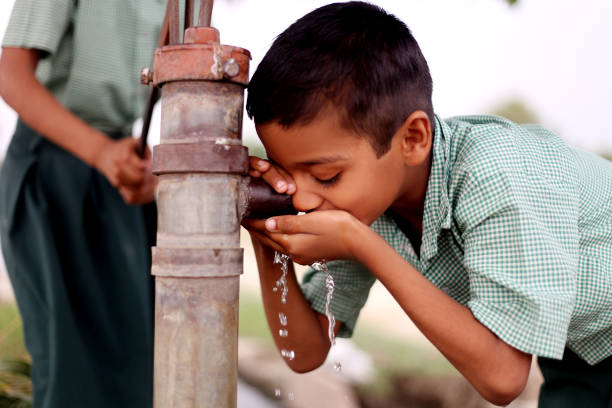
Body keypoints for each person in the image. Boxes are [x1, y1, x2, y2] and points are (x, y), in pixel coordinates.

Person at [242, 2, 612, 407]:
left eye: (326, 176)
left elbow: (504, 377)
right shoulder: (365, 206)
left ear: (413, 139)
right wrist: (265, 227)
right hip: (584, 354)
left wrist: (362, 244)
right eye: (289, 177)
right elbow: (306, 353)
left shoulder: (496, 175)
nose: (305, 198)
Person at [0, 0, 165, 406]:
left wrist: (154, 172)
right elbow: (11, 75)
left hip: (123, 171)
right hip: (53, 167)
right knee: (69, 372)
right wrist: (100, 154)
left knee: (139, 368)